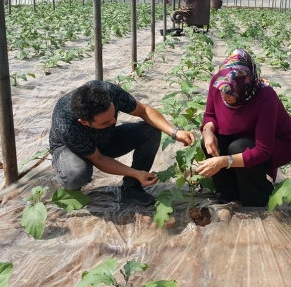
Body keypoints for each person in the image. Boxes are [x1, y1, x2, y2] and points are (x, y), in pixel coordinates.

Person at [49, 80, 194, 206]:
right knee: (77, 173)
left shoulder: (108, 92)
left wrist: (174, 132)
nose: (114, 121)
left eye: (113, 115)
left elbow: (144, 111)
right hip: (68, 149)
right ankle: (71, 188)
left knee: (150, 131)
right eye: (106, 121)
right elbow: (98, 159)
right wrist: (136, 173)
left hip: (104, 138)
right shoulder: (67, 125)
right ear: (84, 122)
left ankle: (131, 188)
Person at [195, 49, 291, 207]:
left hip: (275, 143)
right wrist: (208, 131)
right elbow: (209, 116)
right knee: (209, 142)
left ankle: (257, 198)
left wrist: (225, 161)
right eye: (222, 90)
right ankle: (228, 195)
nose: (224, 95)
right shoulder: (219, 82)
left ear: (245, 86)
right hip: (239, 135)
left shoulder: (265, 98)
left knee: (240, 148)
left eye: (230, 92)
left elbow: (262, 150)